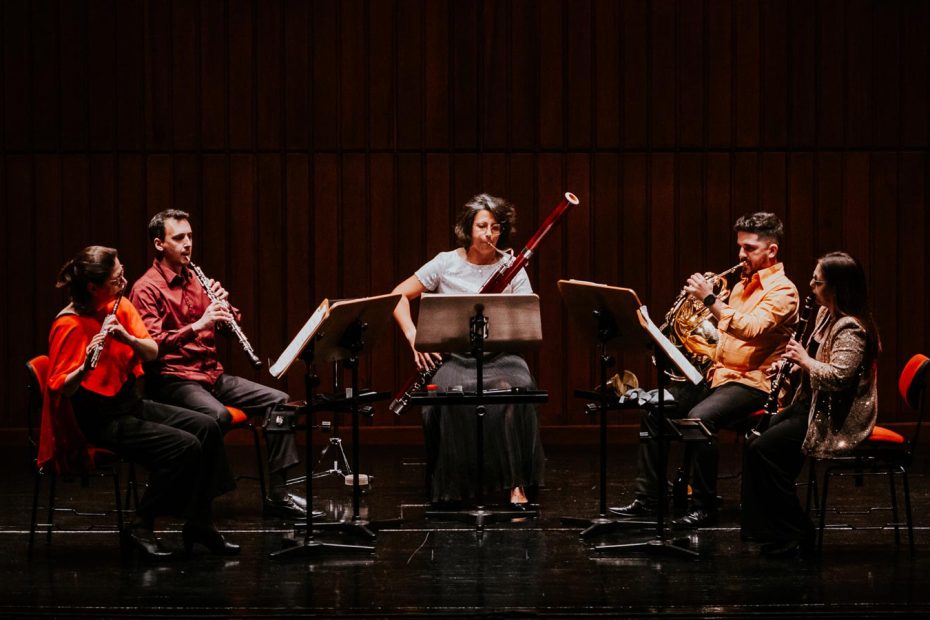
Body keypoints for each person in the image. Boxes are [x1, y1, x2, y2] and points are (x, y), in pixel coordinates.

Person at [39, 246, 238, 558]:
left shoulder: (118, 306)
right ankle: (141, 525)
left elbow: (152, 352)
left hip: (128, 404)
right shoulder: (68, 324)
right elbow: (64, 390)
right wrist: (84, 368)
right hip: (95, 420)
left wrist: (126, 338)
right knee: (184, 446)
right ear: (93, 287)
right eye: (117, 280)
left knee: (208, 425)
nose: (124, 283)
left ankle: (200, 522)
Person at [612, 212, 800, 527]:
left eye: (750, 248)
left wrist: (709, 298)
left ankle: (703, 504)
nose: (741, 255)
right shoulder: (740, 286)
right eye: (740, 247)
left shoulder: (784, 291)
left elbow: (751, 329)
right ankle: (650, 499)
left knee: (700, 418)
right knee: (655, 408)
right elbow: (721, 331)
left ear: (772, 250)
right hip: (719, 376)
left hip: (754, 385)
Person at [129, 209, 305, 519]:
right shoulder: (146, 288)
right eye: (179, 238)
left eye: (190, 237)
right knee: (216, 416)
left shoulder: (196, 276)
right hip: (173, 379)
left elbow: (225, 323)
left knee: (280, 402)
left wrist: (224, 311)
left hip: (211, 375)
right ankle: (196, 499)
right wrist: (198, 325)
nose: (187, 244)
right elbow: (153, 345)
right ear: (159, 244)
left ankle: (279, 494)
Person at [391, 193, 545, 506]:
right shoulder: (445, 263)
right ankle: (454, 486)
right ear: (468, 229)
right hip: (456, 358)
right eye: (482, 227)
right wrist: (413, 334)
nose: (489, 234)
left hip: (502, 357)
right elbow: (398, 295)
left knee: (518, 388)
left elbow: (527, 314)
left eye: (495, 228)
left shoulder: (511, 268)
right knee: (447, 392)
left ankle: (516, 483)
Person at [741, 252, 879, 557]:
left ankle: (796, 531)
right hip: (811, 406)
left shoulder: (851, 328)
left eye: (817, 281)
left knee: (766, 451)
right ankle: (770, 530)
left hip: (835, 417)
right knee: (755, 444)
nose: (811, 285)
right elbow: (817, 362)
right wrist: (791, 366)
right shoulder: (823, 315)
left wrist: (804, 359)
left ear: (836, 287)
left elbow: (840, 377)